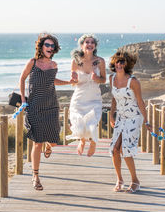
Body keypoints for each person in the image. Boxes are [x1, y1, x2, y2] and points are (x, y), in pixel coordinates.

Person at [19, 33, 75, 191]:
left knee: (54, 141)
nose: (50, 48)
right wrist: (23, 100)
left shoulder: (54, 65)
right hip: (34, 106)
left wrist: (68, 82)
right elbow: (22, 79)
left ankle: (49, 146)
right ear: (41, 47)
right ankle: (35, 176)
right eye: (47, 45)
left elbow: (53, 81)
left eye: (52, 46)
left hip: (51, 106)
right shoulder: (33, 62)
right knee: (37, 143)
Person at [109, 50, 152, 193]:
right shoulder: (112, 78)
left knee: (125, 149)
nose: (119, 64)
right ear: (114, 62)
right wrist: (111, 115)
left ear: (126, 65)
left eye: (122, 62)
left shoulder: (133, 81)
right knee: (115, 149)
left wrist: (147, 121)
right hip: (121, 117)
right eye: (117, 61)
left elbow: (140, 102)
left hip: (134, 117)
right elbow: (114, 98)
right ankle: (119, 179)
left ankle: (135, 181)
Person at [67, 34, 106, 156]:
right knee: (78, 123)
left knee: (92, 122)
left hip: (94, 98)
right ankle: (82, 141)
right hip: (79, 99)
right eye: (87, 42)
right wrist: (73, 80)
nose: (90, 44)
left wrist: (96, 78)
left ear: (95, 46)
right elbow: (73, 83)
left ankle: (93, 142)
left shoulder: (100, 61)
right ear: (82, 45)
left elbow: (103, 79)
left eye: (92, 42)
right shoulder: (76, 61)